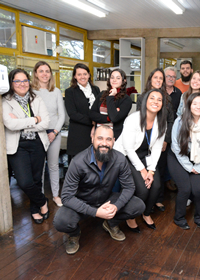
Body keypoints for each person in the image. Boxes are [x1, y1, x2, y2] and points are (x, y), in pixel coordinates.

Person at [53, 126, 145, 255]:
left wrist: (116, 206)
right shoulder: (78, 162)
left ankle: (110, 223)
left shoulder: (120, 159)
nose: (104, 143)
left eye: (108, 139)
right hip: (82, 201)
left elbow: (129, 187)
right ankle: (74, 234)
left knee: (138, 206)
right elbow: (67, 196)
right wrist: (95, 212)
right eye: (100, 138)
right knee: (61, 221)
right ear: (92, 139)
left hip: (106, 200)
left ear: (113, 141)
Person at [114, 89, 167, 230]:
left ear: (162, 104)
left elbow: (156, 149)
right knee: (143, 190)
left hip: (144, 157)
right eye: (152, 98)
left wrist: (151, 171)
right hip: (126, 156)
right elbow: (129, 149)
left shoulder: (162, 122)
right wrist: (143, 171)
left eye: (159, 99)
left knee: (155, 186)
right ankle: (130, 216)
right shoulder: (133, 119)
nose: (155, 101)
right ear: (145, 101)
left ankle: (146, 213)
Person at [3, 69, 50, 224]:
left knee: (37, 180)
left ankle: (35, 210)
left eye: (25, 81)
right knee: (24, 182)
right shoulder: (5, 101)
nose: (22, 84)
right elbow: (10, 124)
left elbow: (45, 122)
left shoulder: (37, 99)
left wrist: (22, 124)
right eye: (18, 81)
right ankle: (43, 201)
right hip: (18, 146)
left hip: (37, 143)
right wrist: (34, 119)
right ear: (11, 83)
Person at [168, 92, 200, 229]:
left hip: (197, 158)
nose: (198, 106)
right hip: (177, 157)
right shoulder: (180, 121)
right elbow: (176, 146)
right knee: (185, 189)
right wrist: (189, 167)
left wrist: (198, 167)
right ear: (189, 105)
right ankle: (179, 217)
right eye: (195, 103)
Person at [136, 68, 174, 211]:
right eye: (155, 78)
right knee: (146, 170)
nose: (158, 80)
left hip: (161, 140)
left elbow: (171, 121)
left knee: (160, 170)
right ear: (150, 79)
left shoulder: (167, 99)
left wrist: (166, 140)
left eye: (160, 78)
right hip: (145, 141)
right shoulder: (142, 97)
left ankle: (158, 199)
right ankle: (145, 200)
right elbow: (139, 119)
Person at [32, 61, 65, 207]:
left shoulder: (56, 91)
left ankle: (56, 195)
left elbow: (61, 115)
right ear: (36, 74)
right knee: (39, 167)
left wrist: (55, 132)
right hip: (37, 133)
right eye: (41, 71)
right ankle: (40, 199)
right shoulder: (31, 92)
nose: (45, 74)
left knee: (53, 165)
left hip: (54, 132)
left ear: (51, 74)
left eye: (47, 71)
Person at [65, 63, 100, 161]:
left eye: (85, 74)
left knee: (95, 163)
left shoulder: (96, 90)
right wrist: (92, 121)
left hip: (95, 132)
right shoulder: (70, 92)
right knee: (79, 166)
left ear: (89, 75)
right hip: (78, 134)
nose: (82, 77)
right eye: (79, 74)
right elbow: (72, 114)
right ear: (75, 76)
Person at [89, 68, 132, 140]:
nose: (114, 80)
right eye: (112, 77)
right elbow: (92, 114)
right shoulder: (102, 94)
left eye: (118, 78)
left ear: (124, 80)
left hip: (115, 137)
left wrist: (111, 96)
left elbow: (114, 118)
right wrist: (108, 118)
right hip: (99, 134)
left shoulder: (126, 99)